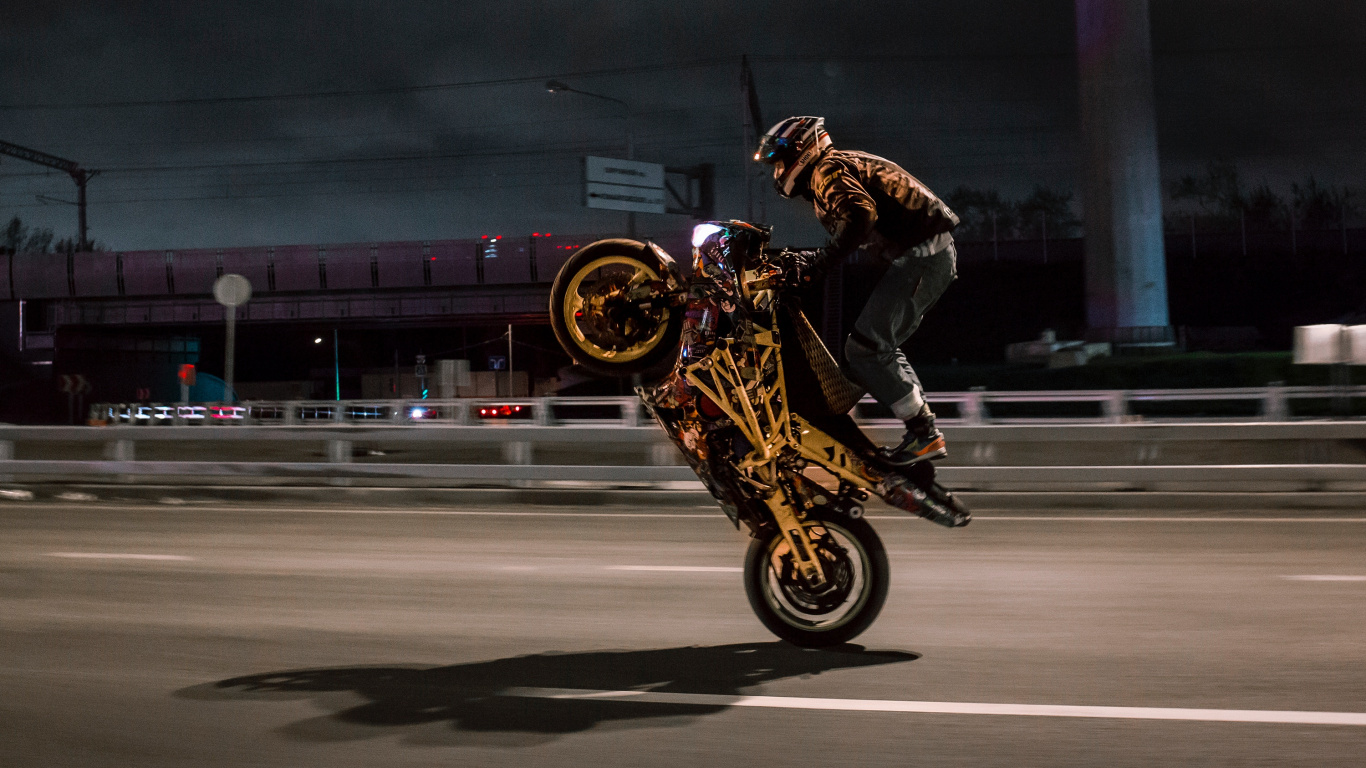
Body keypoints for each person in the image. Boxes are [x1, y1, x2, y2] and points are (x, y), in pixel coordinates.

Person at [755, 115, 959, 466]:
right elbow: (857, 226)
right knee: (874, 348)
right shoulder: (838, 167)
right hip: (925, 254)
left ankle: (924, 434)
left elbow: (860, 217)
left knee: (866, 350)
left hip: (924, 255)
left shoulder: (827, 170)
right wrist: (810, 261)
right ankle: (923, 432)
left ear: (803, 149)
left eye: (781, 163)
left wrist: (817, 265)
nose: (778, 173)